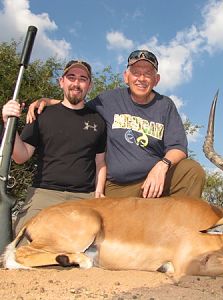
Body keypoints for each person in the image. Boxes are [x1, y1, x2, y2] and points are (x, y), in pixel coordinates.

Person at [28, 50, 206, 199]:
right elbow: (76, 106)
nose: (141, 78)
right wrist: (48, 101)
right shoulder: (108, 100)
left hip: (154, 181)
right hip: (118, 187)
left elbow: (179, 148)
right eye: (136, 73)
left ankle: (180, 233)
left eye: (148, 74)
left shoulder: (165, 105)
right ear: (126, 77)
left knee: (192, 171)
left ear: (156, 79)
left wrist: (161, 166)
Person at [2, 60, 107, 232]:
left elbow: (100, 163)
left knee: (88, 250)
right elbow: (20, 156)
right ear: (61, 82)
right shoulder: (42, 114)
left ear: (89, 85)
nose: (76, 83)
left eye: (82, 79)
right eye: (71, 77)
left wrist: (99, 191)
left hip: (83, 198)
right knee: (23, 245)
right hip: (43, 194)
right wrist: (8, 123)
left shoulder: (98, 121)